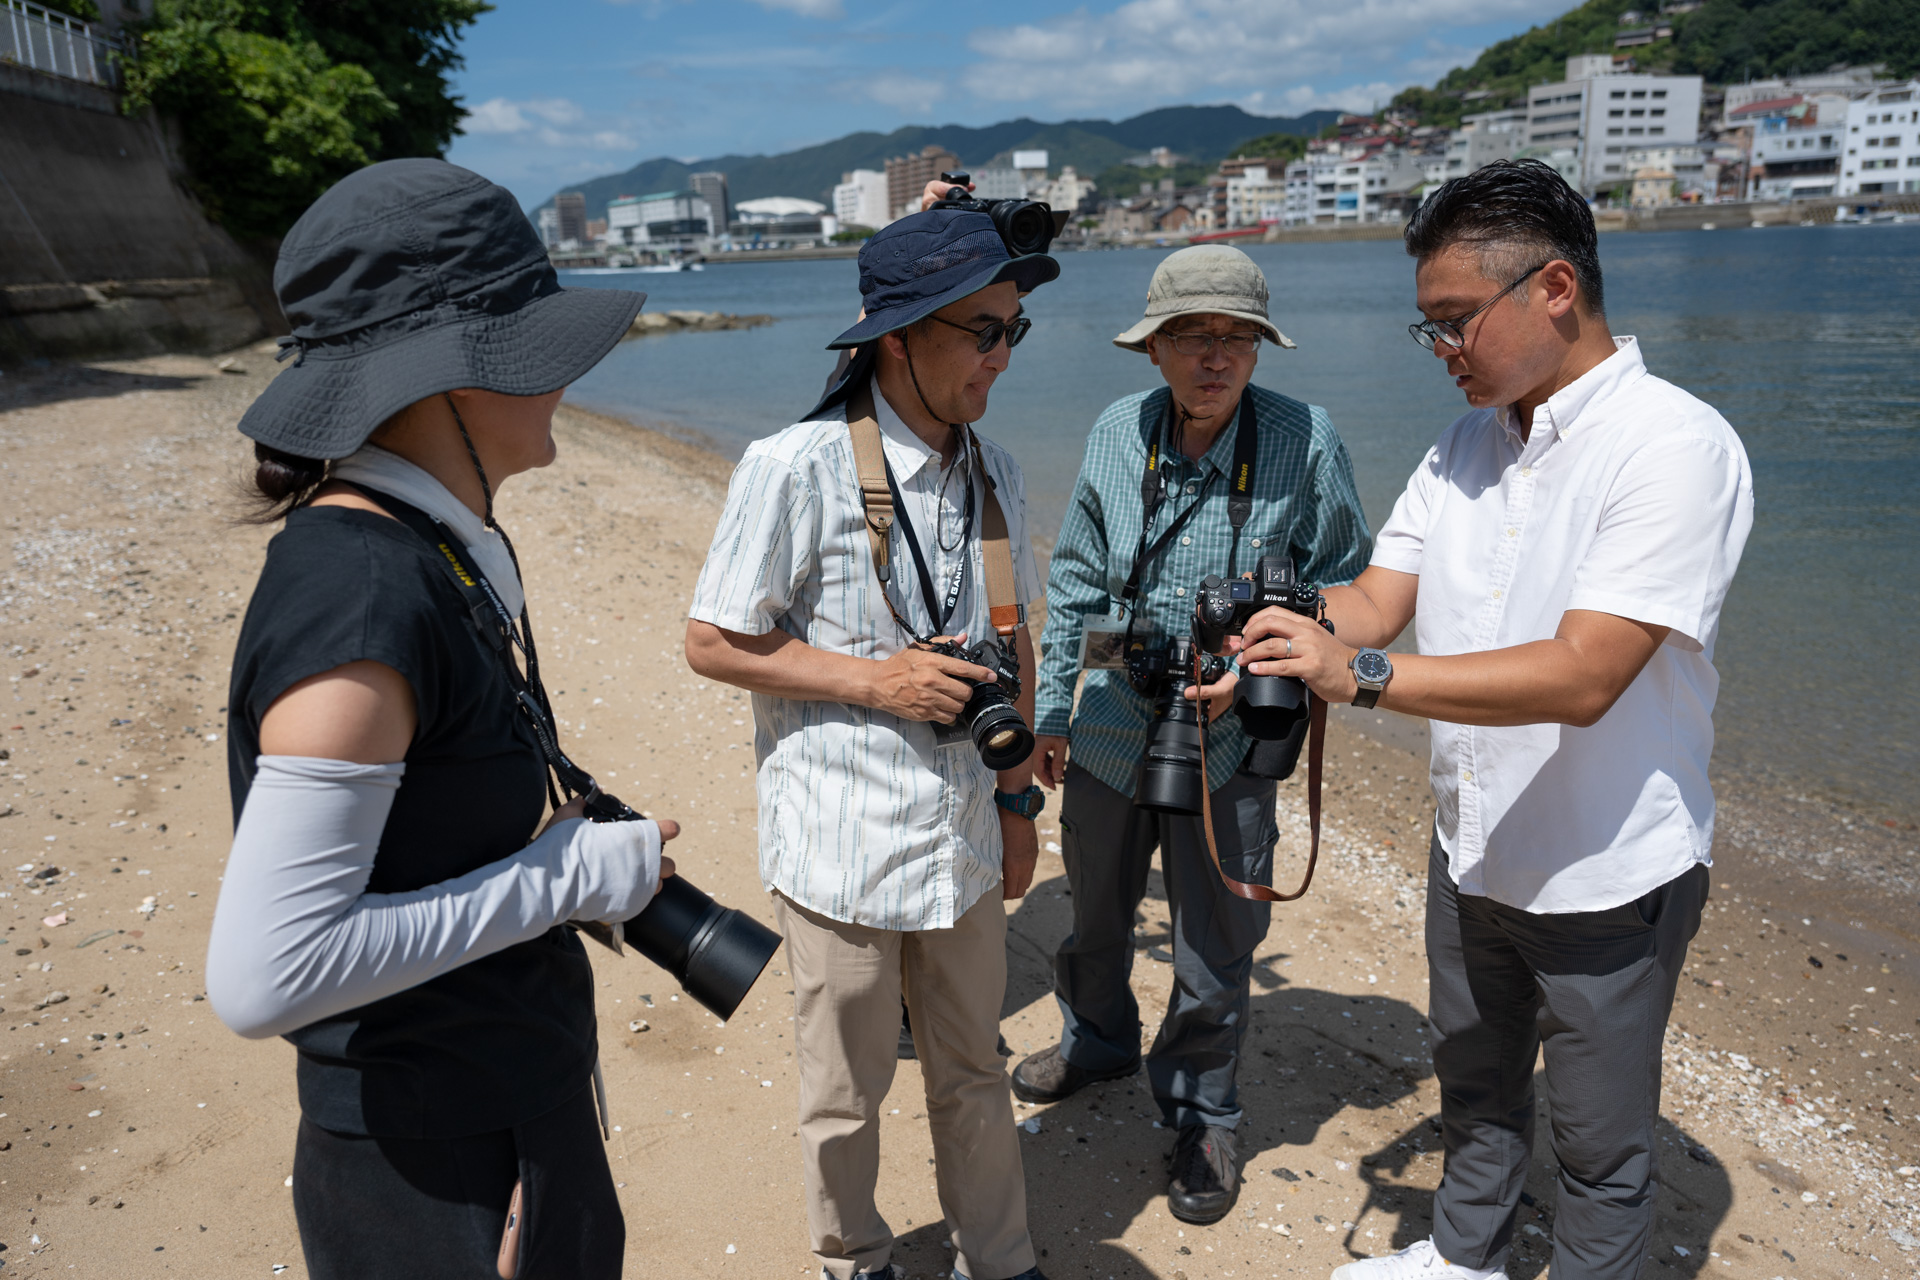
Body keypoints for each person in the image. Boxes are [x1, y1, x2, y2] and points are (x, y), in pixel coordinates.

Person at [1231, 161, 1754, 1280]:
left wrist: (1357, 673)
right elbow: (1374, 601)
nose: (1445, 352)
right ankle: (1462, 1257)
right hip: (1468, 837)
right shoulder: (1464, 445)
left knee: (1601, 1146)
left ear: (1555, 286)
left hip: (1603, 863)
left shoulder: (1674, 444)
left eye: (1455, 322)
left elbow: (1583, 674)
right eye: (1430, 330)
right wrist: (1272, 617)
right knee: (1473, 1078)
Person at [206, 159, 676, 1280]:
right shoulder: (364, 595)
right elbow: (267, 972)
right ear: (449, 378)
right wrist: (573, 878)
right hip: (444, 1166)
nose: (566, 378)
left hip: (491, 1114)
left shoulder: (425, 549)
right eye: (536, 345)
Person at [684, 209, 1056, 1280]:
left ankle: (1003, 1256)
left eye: (1013, 332)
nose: (1000, 355)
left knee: (975, 1069)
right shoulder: (794, 463)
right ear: (896, 338)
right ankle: (854, 1258)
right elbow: (712, 639)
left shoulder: (999, 470)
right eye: (982, 330)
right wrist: (877, 680)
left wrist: (1021, 802)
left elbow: (1015, 639)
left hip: (965, 840)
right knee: (844, 1090)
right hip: (838, 846)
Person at [1018, 245, 1372, 1224]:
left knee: (1218, 947)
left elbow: (1354, 584)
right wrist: (1054, 706)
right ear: (1154, 348)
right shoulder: (1113, 433)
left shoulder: (1306, 438)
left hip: (1228, 749)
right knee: (1093, 916)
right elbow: (1079, 586)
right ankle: (1097, 1039)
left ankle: (1203, 1110)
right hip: (1110, 729)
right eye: (1191, 336)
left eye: (1235, 337)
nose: (1215, 357)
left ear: (1259, 346)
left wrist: (1258, 663)